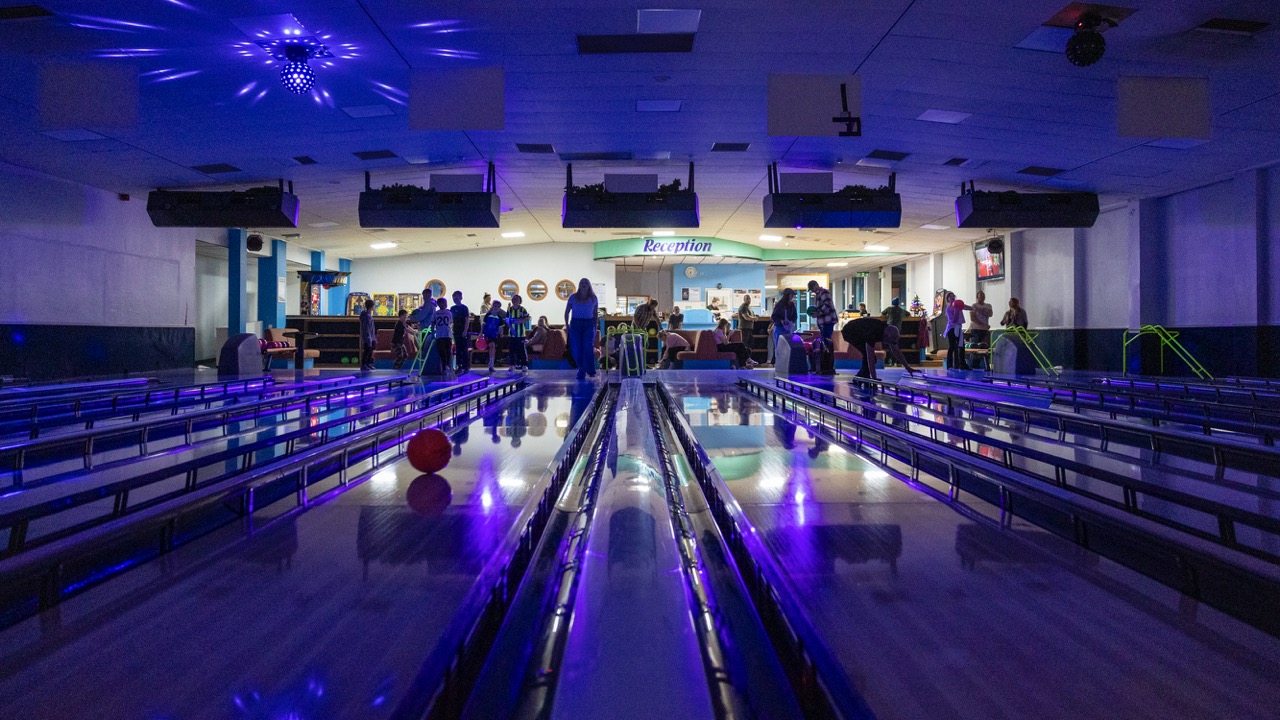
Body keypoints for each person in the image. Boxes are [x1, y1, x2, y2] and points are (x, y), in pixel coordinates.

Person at [840, 316, 918, 380]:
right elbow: (870, 356)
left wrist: (908, 367)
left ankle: (861, 376)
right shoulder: (873, 333)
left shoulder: (888, 332)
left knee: (871, 357)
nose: (889, 344)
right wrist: (874, 378)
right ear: (886, 336)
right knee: (869, 355)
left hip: (860, 330)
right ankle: (862, 377)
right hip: (849, 332)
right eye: (889, 341)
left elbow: (896, 350)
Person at [564, 277, 599, 380]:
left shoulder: (593, 298)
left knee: (588, 346)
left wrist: (594, 326)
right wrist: (567, 325)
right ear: (579, 285)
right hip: (575, 323)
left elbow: (595, 313)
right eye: (582, 283)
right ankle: (581, 370)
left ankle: (591, 369)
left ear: (589, 286)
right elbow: (567, 312)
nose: (583, 284)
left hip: (589, 323)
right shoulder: (573, 297)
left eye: (586, 283)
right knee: (577, 347)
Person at [944, 292, 971, 370]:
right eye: (950, 297)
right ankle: (949, 365)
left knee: (961, 346)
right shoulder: (948, 308)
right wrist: (956, 310)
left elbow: (966, 307)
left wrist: (974, 308)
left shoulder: (958, 304)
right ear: (948, 299)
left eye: (953, 296)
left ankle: (963, 364)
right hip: (952, 329)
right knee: (952, 347)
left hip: (958, 328)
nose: (952, 298)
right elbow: (954, 320)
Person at [770, 288, 798, 363]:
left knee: (788, 345)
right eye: (791, 295)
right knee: (779, 346)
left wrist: (791, 322)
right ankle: (779, 362)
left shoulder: (792, 305)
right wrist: (781, 322)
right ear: (787, 295)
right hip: (779, 328)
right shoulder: (779, 305)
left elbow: (795, 315)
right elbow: (774, 316)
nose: (792, 297)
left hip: (788, 328)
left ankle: (787, 363)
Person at [507, 294, 531, 371]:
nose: (515, 301)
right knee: (512, 350)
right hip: (511, 334)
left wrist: (519, 321)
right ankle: (512, 364)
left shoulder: (523, 309)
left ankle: (524, 364)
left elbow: (527, 319)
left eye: (516, 299)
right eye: (513, 299)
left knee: (522, 349)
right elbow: (507, 320)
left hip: (521, 334)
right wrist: (511, 328)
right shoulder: (509, 309)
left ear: (519, 301)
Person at [450, 291, 471, 373]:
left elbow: (467, 320)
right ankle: (459, 365)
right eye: (454, 299)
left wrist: (465, 330)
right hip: (456, 330)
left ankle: (466, 366)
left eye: (457, 298)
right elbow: (451, 320)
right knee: (458, 349)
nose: (455, 300)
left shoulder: (464, 308)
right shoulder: (452, 308)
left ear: (461, 298)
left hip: (463, 330)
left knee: (464, 348)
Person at [432, 297, 454, 374]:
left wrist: (432, 333)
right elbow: (451, 322)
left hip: (439, 334)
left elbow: (432, 323)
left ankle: (445, 366)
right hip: (447, 334)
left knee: (442, 351)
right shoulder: (449, 313)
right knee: (447, 351)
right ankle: (447, 366)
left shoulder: (436, 313)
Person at [483, 300, 506, 372]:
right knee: (491, 346)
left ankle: (492, 363)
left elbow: (501, 327)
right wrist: (481, 333)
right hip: (488, 334)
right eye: (495, 306)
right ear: (492, 306)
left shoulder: (499, 318)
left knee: (493, 348)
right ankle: (491, 363)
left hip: (495, 335)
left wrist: (501, 333)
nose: (496, 308)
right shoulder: (488, 315)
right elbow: (483, 324)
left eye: (498, 307)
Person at [359, 298, 376, 370]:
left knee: (370, 350)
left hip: (371, 336)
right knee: (367, 350)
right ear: (371, 306)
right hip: (368, 337)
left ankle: (368, 363)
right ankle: (364, 364)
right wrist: (368, 337)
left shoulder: (368, 315)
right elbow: (367, 328)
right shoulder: (366, 316)